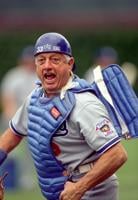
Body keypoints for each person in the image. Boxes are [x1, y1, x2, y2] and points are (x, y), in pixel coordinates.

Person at [0, 32, 128, 200]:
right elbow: (13, 133)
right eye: (41, 60)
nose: (47, 65)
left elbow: (117, 154)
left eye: (55, 59)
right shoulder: (35, 98)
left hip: (92, 187)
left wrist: (80, 187)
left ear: (70, 64)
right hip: (59, 186)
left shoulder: (84, 103)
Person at [0, 45, 37, 190]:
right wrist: (14, 119)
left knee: (31, 153)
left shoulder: (38, 77)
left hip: (32, 121)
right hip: (13, 119)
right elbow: (7, 100)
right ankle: (8, 179)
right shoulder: (14, 75)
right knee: (10, 152)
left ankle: (26, 179)